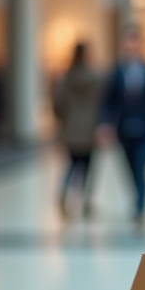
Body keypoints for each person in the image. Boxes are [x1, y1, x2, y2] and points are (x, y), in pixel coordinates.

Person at [99, 26, 145, 226]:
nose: (131, 46)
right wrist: (105, 124)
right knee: (129, 169)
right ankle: (137, 199)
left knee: (141, 167)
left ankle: (140, 207)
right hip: (124, 129)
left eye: (134, 41)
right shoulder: (117, 71)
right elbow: (109, 100)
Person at [53, 42, 103, 218]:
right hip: (90, 130)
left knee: (72, 165)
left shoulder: (65, 79)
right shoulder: (96, 78)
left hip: (70, 130)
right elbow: (102, 104)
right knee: (89, 168)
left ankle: (64, 194)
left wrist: (65, 119)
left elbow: (57, 104)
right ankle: (85, 202)